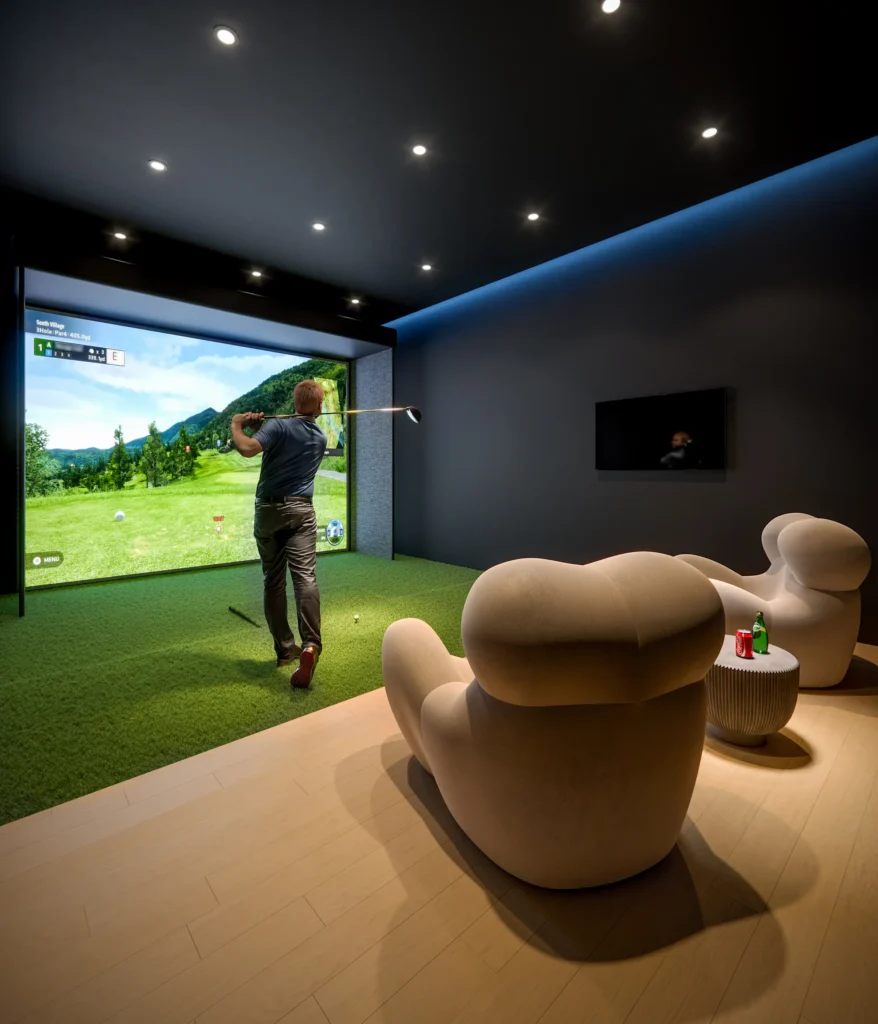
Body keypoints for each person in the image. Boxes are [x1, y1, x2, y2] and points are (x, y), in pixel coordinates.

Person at [230, 380, 327, 688]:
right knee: (305, 579)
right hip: (301, 511)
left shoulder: (280, 427)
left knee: (273, 581)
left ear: (293, 402)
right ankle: (310, 644)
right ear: (321, 407)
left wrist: (238, 424)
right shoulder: (321, 437)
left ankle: (285, 651)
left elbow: (246, 449)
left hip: (269, 512)